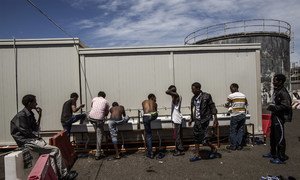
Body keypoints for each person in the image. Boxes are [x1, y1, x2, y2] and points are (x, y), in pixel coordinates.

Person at [10, 94, 78, 180]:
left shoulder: (30, 114)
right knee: (55, 150)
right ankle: (64, 175)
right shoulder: (21, 116)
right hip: (26, 141)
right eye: (35, 102)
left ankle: (57, 176)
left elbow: (36, 128)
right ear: (29, 103)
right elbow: (26, 132)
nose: (36, 104)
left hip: (30, 139)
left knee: (50, 153)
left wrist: (40, 115)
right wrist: (38, 139)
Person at [263, 74, 292, 164]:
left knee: (279, 137)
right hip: (275, 116)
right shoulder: (277, 90)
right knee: (273, 136)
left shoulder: (283, 92)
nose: (273, 82)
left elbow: (286, 106)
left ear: (280, 82)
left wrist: (273, 108)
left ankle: (281, 157)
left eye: (275, 80)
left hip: (280, 117)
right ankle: (273, 153)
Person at [188, 82, 219, 162]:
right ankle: (197, 155)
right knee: (196, 138)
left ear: (198, 89)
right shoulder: (193, 98)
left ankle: (213, 148)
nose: (192, 91)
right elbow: (193, 109)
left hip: (205, 120)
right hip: (197, 121)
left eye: (193, 89)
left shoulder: (206, 96)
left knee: (205, 140)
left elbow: (212, 106)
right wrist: (191, 118)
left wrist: (215, 119)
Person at [224, 83, 248, 151]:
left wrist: (227, 106)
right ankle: (239, 145)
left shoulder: (231, 96)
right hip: (243, 114)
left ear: (235, 88)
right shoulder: (243, 95)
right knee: (240, 130)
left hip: (235, 115)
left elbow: (227, 104)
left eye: (231, 88)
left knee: (233, 130)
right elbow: (246, 104)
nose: (230, 90)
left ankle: (233, 146)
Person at [88, 91, 110, 160]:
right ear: (104, 96)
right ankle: (98, 154)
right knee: (99, 136)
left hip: (91, 118)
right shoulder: (106, 101)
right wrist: (104, 115)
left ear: (98, 95)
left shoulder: (94, 99)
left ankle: (93, 123)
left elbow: (92, 107)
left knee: (87, 115)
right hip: (99, 120)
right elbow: (106, 113)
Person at [166, 85, 185, 156]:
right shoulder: (177, 96)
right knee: (178, 135)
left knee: (177, 136)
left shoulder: (176, 96)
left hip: (177, 119)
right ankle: (178, 149)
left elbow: (167, 92)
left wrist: (171, 90)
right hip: (177, 118)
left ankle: (179, 151)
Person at [142, 93, 158, 159]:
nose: (156, 99)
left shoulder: (143, 102)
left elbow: (144, 110)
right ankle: (150, 152)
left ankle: (150, 153)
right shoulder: (155, 103)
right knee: (155, 113)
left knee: (148, 135)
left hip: (145, 117)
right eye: (155, 98)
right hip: (153, 115)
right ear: (152, 97)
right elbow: (155, 110)